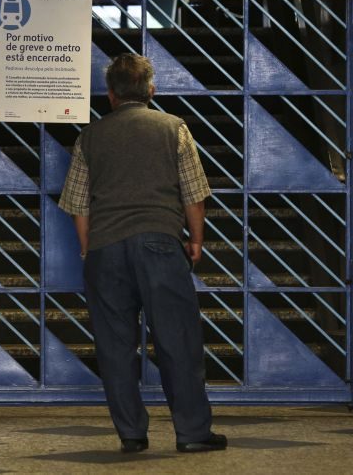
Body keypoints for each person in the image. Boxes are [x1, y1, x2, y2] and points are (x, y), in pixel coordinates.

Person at [58, 52, 227, 454]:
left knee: (115, 347)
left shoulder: (90, 137)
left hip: (105, 248)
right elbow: (194, 194)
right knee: (178, 339)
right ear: (151, 90)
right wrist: (196, 240)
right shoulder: (174, 128)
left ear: (110, 94)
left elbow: (79, 206)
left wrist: (88, 249)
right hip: (159, 243)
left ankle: (131, 434)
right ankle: (191, 433)